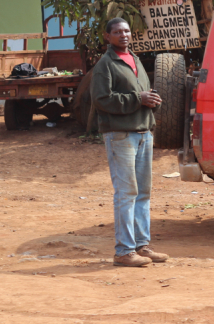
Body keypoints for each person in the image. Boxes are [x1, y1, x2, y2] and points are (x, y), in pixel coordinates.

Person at [91, 17, 168, 267]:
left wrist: (150, 101)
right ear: (107, 36)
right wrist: (138, 99)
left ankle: (141, 247)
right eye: (117, 32)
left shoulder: (134, 60)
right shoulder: (105, 64)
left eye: (126, 31)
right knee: (126, 194)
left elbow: (140, 93)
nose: (123, 35)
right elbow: (102, 100)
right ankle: (124, 251)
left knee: (143, 193)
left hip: (143, 132)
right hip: (120, 134)